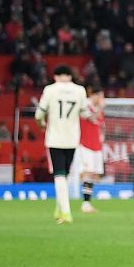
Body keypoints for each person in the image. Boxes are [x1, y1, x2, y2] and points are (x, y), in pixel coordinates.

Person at [34, 66, 88, 225]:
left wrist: (42, 123)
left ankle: (66, 212)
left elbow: (39, 114)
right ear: (70, 76)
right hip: (72, 138)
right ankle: (59, 209)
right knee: (64, 175)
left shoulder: (50, 90)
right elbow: (85, 113)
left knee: (59, 175)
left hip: (55, 138)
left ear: (56, 76)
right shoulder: (80, 90)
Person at [71, 88, 105, 214]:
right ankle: (85, 203)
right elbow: (91, 118)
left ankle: (87, 203)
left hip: (96, 146)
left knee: (94, 175)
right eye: (100, 96)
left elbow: (100, 124)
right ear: (93, 95)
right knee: (87, 172)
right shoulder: (84, 106)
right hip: (85, 146)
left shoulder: (98, 110)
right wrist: (100, 108)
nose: (101, 99)